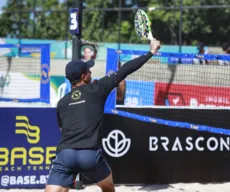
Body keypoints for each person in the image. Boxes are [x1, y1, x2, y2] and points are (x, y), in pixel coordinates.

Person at [45, 38, 161, 192]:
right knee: (108, 188)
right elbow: (125, 70)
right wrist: (151, 52)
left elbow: (62, 130)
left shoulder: (62, 102)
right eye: (89, 71)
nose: (91, 72)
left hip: (65, 154)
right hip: (89, 155)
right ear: (84, 77)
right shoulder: (97, 89)